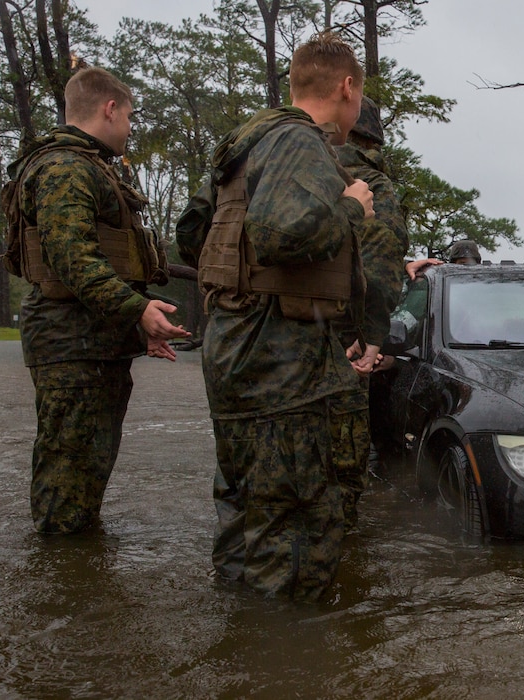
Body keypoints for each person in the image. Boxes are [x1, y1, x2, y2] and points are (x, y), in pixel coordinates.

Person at [175, 31, 375, 600]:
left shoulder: (244, 146)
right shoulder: (300, 143)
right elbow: (284, 234)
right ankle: (284, 666)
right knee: (296, 538)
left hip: (233, 358)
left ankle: (242, 654)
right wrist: (350, 208)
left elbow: (192, 235)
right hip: (281, 374)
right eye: (357, 96)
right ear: (346, 88)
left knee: (244, 522)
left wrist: (243, 287)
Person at [5, 67, 190, 535]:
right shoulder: (66, 168)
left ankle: (74, 572)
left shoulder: (86, 166)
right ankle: (60, 582)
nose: (129, 128)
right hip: (71, 346)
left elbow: (109, 259)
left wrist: (136, 323)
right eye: (128, 117)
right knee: (68, 474)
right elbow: (74, 259)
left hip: (90, 342)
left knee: (86, 468)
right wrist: (137, 310)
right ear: (109, 109)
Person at [331, 96, 408, 529]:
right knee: (343, 475)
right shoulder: (369, 182)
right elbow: (381, 260)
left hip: (266, 342)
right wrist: (371, 336)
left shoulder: (283, 165)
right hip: (345, 345)